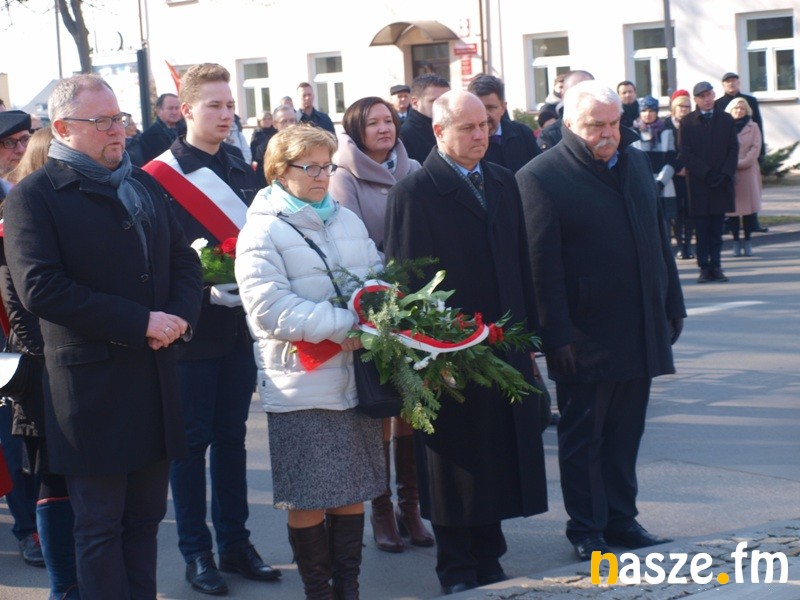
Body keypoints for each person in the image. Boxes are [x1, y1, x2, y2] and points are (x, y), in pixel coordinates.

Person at [3, 73, 203, 598]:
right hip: (90, 393)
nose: (118, 130)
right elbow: (41, 288)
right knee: (98, 528)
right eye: (102, 121)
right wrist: (140, 321)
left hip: (152, 378)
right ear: (63, 129)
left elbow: (184, 260)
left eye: (119, 118)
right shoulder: (33, 197)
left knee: (144, 522)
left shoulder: (143, 184)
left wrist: (178, 319)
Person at [384, 90, 548, 595]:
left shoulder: (501, 180)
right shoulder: (414, 193)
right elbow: (407, 283)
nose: (482, 135)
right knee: (454, 459)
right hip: (448, 350)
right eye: (469, 128)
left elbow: (522, 260)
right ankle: (456, 566)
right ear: (439, 132)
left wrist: (528, 337)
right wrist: (431, 352)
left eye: (486, 125)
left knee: (497, 450)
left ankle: (489, 556)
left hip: (501, 338)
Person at [516, 80, 686, 562]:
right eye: (596, 125)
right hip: (584, 333)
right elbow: (540, 266)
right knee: (584, 436)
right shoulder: (541, 176)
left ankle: (621, 519)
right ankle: (587, 528)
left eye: (614, 123)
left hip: (640, 321)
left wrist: (672, 303)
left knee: (626, 431)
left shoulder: (634, 160)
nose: (608, 133)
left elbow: (658, 238)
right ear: (570, 123)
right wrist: (555, 335)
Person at [143, 63, 280, 595]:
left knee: (232, 440)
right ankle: (196, 552)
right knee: (190, 446)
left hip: (239, 327)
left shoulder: (242, 168)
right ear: (186, 110)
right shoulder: (156, 177)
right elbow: (155, 261)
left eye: (230, 106)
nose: (226, 115)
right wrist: (200, 293)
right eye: (214, 106)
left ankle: (236, 544)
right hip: (190, 333)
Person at [235, 124, 385, 599]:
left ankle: (349, 589)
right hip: (302, 382)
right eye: (311, 167)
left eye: (327, 166)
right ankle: (318, 592)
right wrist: (347, 326)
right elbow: (269, 309)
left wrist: (386, 308)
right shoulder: (262, 230)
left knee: (351, 490)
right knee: (308, 495)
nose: (322, 176)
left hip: (353, 377)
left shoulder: (347, 219)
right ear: (280, 172)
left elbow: (376, 275)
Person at [328, 96, 431, 554]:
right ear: (357, 129)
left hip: (417, 300)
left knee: (412, 406)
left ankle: (412, 506)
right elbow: (349, 242)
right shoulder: (343, 177)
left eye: (389, 120)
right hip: (374, 304)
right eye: (373, 123)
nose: (384, 129)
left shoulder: (415, 168)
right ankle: (382, 510)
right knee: (382, 408)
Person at [1, 124, 81, 598]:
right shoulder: (18, 213)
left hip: (73, 366)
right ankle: (60, 581)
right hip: (39, 366)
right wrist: (53, 360)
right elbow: (20, 306)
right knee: (45, 474)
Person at [0, 109, 45, 570]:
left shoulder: (22, 193)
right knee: (9, 439)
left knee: (23, 432)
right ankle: (27, 528)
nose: (18, 150)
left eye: (23, 140)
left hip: (23, 332)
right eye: (9, 143)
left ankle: (36, 523)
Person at [679, 81, 738, 283]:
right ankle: (704, 267)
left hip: (721, 182)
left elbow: (733, 149)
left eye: (709, 95)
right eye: (702, 97)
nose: (707, 100)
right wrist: (706, 173)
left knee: (717, 229)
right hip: (699, 183)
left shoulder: (726, 119)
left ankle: (717, 265)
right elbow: (686, 153)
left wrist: (725, 173)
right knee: (702, 228)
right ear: (696, 100)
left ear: (714, 95)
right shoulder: (687, 122)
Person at [715, 72, 768, 233]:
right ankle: (728, 224)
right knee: (731, 193)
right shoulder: (718, 104)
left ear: (739, 82)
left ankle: (753, 222)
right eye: (728, 81)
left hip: (748, 156)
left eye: (734, 80)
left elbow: (758, 125)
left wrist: (760, 153)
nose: (731, 84)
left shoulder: (750, 100)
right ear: (723, 84)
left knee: (751, 191)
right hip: (728, 158)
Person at [468, 74, 541, 173]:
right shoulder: (466, 141)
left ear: (503, 107)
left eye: (490, 108)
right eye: (479, 108)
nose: (485, 115)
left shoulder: (523, 134)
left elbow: (539, 170)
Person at [631, 95, 678, 229]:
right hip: (641, 185)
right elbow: (632, 162)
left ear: (656, 111)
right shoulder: (632, 132)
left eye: (651, 110)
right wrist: (646, 182)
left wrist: (659, 183)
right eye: (644, 110)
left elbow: (671, 160)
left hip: (663, 185)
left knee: (664, 226)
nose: (647, 114)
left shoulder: (667, 132)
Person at [725, 97, 762, 257]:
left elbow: (755, 148)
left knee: (747, 211)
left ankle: (747, 241)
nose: (739, 111)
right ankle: (735, 241)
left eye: (742, 108)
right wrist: (730, 164)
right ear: (730, 110)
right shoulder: (725, 127)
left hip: (748, 172)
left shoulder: (753, 126)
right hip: (730, 172)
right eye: (736, 108)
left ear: (747, 110)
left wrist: (740, 163)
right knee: (733, 211)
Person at [664, 90, 695, 259]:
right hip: (672, 175)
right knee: (676, 212)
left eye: (687, 106)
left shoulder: (694, 123)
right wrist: (677, 168)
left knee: (689, 211)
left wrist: (688, 167)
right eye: (681, 106)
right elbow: (666, 151)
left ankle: (688, 244)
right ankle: (680, 245)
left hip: (691, 174)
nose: (684, 109)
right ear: (674, 108)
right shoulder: (666, 125)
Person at [537, 70, 594, 152]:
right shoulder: (550, 135)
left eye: (589, 91)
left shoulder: (611, 128)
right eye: (578, 92)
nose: (585, 98)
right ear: (564, 94)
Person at [398, 73, 450, 163]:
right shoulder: (404, 136)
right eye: (435, 101)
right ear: (415, 102)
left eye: (447, 101)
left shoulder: (452, 127)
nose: (443, 106)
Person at [131, 93, 184, 166]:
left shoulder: (189, 130)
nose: (174, 112)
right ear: (159, 111)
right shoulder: (147, 137)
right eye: (170, 108)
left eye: (177, 108)